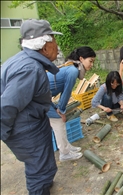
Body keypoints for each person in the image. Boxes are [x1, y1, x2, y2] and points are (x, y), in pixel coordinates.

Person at [1, 19, 62, 195]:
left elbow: (31, 96)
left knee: (42, 165)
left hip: (30, 122)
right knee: (39, 172)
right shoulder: (30, 69)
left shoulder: (20, 59)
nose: (57, 46)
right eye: (53, 40)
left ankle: (44, 184)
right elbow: (7, 105)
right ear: (44, 47)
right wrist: (5, 131)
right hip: (26, 130)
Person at [47, 46, 96, 161]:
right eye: (90, 61)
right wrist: (61, 110)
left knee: (58, 121)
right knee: (58, 121)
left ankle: (67, 148)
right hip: (39, 96)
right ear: (81, 58)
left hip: (45, 95)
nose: (91, 65)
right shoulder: (73, 71)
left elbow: (65, 91)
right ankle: (64, 153)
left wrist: (59, 109)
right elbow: (67, 92)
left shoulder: (72, 67)